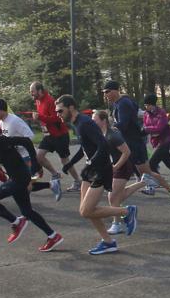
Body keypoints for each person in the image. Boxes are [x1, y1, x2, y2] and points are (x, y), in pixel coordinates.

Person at [55, 95, 138, 255]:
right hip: (91, 170)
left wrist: (91, 162)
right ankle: (108, 242)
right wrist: (70, 164)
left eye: (60, 110)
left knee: (87, 211)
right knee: (86, 210)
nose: (58, 113)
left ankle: (127, 212)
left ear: (71, 107)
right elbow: (85, 148)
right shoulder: (76, 123)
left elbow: (103, 145)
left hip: (100, 170)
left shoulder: (86, 123)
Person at [0, 116, 64, 252]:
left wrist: (35, 162)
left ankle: (17, 222)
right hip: (15, 178)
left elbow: (26, 141)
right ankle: (53, 236)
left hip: (19, 179)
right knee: (27, 211)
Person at [104, 81, 170, 205]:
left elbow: (123, 124)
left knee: (146, 173)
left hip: (134, 145)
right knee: (144, 174)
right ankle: (119, 208)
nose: (106, 95)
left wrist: (107, 130)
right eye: (104, 92)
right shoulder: (119, 103)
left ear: (116, 90)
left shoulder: (124, 104)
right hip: (126, 146)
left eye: (108, 92)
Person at [30, 82, 80, 196]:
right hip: (48, 136)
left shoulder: (50, 101)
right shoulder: (38, 101)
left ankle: (78, 181)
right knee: (39, 156)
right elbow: (44, 118)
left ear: (40, 91)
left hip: (60, 135)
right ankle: (55, 174)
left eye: (33, 91)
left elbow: (57, 119)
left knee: (65, 160)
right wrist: (38, 119)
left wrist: (40, 117)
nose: (31, 94)